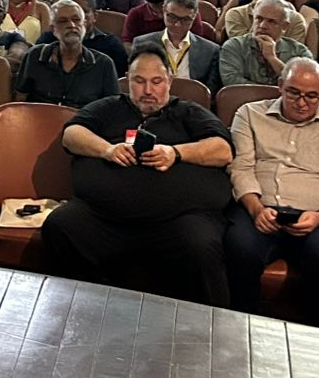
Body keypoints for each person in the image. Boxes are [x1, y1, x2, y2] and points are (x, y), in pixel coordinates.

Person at [43, 46, 235, 305]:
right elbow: (72, 134)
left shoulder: (188, 112)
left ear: (169, 81)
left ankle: (206, 323)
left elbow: (223, 150)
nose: (148, 90)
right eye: (139, 81)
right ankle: (87, 306)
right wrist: (107, 150)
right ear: (127, 80)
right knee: (60, 225)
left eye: (156, 82)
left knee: (201, 244)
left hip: (177, 222)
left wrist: (176, 153)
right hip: (105, 219)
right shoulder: (109, 107)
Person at [223, 57, 319, 329]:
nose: (302, 103)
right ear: (280, 86)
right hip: (258, 209)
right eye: (294, 93)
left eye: (312, 96)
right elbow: (241, 168)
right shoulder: (249, 114)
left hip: (315, 218)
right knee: (239, 248)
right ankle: (237, 330)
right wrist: (256, 208)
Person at [13, 0, 119, 108]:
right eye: (63, 21)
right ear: (53, 29)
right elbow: (20, 101)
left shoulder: (103, 64)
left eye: (76, 20)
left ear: (84, 25)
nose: (72, 25)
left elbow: (112, 109)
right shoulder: (35, 56)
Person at [132, 0, 222, 91]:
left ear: (194, 16)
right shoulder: (142, 44)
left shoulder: (210, 50)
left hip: (191, 99)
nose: (177, 24)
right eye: (172, 17)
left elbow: (208, 93)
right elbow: (136, 81)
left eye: (185, 20)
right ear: (164, 10)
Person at [219, 0, 311, 86]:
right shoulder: (234, 46)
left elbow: (304, 84)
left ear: (284, 26)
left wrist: (272, 59)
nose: (262, 26)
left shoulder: (300, 52)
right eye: (259, 19)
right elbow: (231, 82)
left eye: (271, 21)